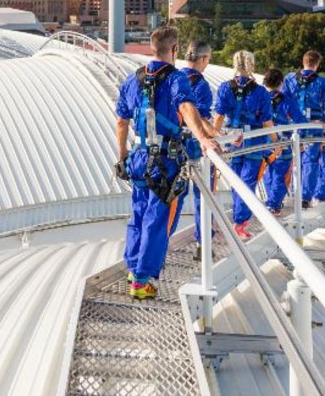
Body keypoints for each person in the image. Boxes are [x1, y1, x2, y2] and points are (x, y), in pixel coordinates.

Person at [114, 26, 221, 300]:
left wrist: (122, 156)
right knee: (157, 220)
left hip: (138, 158)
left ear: (153, 48)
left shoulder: (133, 79)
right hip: (165, 162)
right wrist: (204, 139)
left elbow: (122, 120)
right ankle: (143, 280)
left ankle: (133, 266)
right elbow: (187, 108)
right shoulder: (176, 79)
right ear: (174, 50)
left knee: (138, 215)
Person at [213, 50, 274, 240]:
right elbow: (266, 122)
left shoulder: (225, 88)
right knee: (248, 182)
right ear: (252, 65)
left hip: (232, 139)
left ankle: (239, 220)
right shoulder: (261, 92)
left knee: (236, 180)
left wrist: (217, 138)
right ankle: (240, 222)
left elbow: (218, 118)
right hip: (254, 140)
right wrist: (276, 141)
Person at [281, 50, 325, 208]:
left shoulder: (289, 78)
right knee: (310, 161)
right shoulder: (322, 83)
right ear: (317, 64)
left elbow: (283, 100)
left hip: (294, 125)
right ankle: (305, 197)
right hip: (312, 126)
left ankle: (286, 194)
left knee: (292, 158)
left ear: (303, 62)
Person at [178, 41, 218, 261]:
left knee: (173, 198)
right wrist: (216, 137)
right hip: (196, 148)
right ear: (203, 59)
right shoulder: (201, 85)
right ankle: (203, 245)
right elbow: (201, 119)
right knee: (203, 197)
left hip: (174, 148)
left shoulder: (174, 78)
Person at [261, 67, 305, 215]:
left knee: (268, 174)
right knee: (281, 175)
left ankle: (273, 202)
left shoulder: (260, 98)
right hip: (283, 143)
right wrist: (300, 138)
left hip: (264, 143)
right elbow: (300, 121)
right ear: (281, 83)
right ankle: (273, 204)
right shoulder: (287, 101)